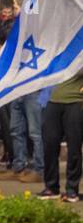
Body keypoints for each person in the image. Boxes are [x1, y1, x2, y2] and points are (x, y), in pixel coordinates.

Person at [39, 70, 83, 201]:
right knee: (49, 145)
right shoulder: (55, 50)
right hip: (52, 101)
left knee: (74, 147)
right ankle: (51, 187)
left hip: (76, 101)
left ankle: (72, 189)